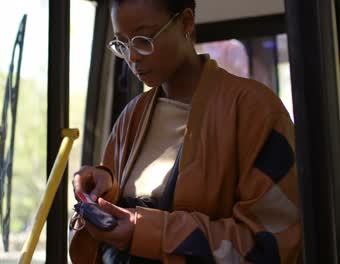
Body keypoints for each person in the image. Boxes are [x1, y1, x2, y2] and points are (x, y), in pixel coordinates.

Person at [70, 0, 301, 263]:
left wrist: (144, 232)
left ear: (186, 23)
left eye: (144, 39)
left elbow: (270, 245)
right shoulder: (130, 117)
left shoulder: (255, 110)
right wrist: (104, 189)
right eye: (122, 44)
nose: (132, 57)